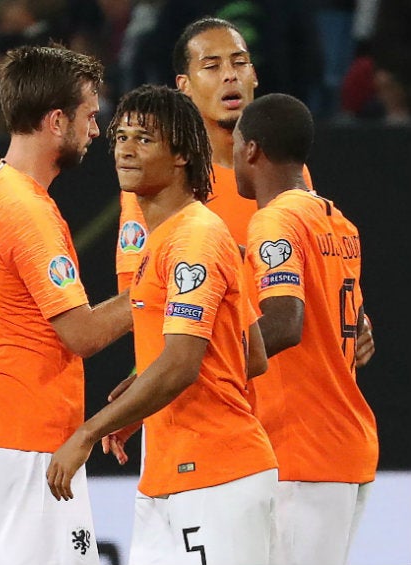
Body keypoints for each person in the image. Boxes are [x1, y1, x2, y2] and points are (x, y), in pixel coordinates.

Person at [109, 16, 375, 454]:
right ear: (184, 86)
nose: (229, 74)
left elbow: (317, 275)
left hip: (295, 425)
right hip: (205, 426)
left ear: (254, 76)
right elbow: (144, 305)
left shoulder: (286, 174)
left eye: (239, 62)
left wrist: (354, 322)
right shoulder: (160, 185)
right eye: (211, 65)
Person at [49, 84, 278, 565]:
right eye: (121, 136)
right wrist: (142, 395)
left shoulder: (193, 239)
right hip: (169, 478)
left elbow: (181, 363)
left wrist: (87, 432)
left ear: (181, 156)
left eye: (145, 139)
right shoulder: (174, 234)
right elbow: (249, 356)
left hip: (216, 478)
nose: (126, 148)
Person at [0, 45, 132, 564]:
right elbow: (82, 334)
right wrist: (156, 286)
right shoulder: (28, 213)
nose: (96, 132)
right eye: (89, 117)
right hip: (29, 437)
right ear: (56, 121)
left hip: (0, 425)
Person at [233, 92, 378, 565]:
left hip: (302, 450)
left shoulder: (274, 221)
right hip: (342, 444)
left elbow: (285, 324)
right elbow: (350, 326)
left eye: (236, 144)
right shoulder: (339, 223)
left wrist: (202, 361)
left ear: (252, 150)